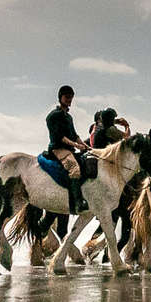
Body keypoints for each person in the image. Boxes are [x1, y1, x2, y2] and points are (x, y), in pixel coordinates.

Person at [45, 85, 89, 215]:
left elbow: (74, 135)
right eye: (66, 97)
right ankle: (77, 202)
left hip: (69, 149)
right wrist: (76, 145)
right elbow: (60, 137)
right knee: (74, 168)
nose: (69, 99)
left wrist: (85, 146)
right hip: (58, 148)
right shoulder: (54, 116)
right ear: (60, 98)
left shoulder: (69, 117)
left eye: (71, 97)